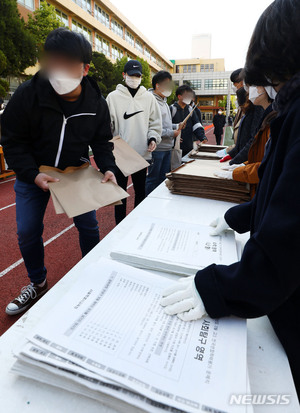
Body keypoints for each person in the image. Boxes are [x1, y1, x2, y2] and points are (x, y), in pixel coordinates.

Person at [160, 0, 300, 400]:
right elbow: (280, 190)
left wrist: (221, 288)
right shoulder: (287, 110)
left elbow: (291, 229)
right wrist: (242, 215)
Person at [1, 28, 117, 315]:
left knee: (89, 226)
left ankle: (92, 277)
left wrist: (109, 167)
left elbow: (101, 142)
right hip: (34, 173)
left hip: (74, 172)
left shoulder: (95, 104)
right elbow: (12, 140)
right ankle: (37, 282)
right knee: (27, 231)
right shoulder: (29, 94)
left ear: (85, 69)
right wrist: (31, 174)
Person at [106, 60, 162, 224]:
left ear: (141, 77)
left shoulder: (148, 98)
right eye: (131, 75)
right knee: (120, 193)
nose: (134, 78)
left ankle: (137, 222)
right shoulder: (113, 97)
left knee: (140, 191)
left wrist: (153, 138)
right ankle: (119, 225)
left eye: (137, 75)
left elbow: (155, 123)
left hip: (141, 153)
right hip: (120, 155)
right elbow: (107, 125)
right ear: (124, 75)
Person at [215, 86, 277, 198]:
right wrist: (241, 163)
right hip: (252, 169)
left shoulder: (271, 116)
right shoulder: (265, 113)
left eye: (254, 86)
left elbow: (270, 164)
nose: (249, 91)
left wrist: (238, 167)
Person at [145, 71, 181, 195]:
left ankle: (158, 203)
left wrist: (176, 126)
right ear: (157, 85)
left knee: (162, 179)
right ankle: (148, 204)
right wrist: (172, 133)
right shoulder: (150, 101)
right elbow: (152, 127)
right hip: (157, 148)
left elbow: (163, 124)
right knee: (152, 179)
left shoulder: (164, 102)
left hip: (166, 148)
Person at [220, 86, 264, 164]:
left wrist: (235, 160)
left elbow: (253, 140)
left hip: (250, 160)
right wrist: (232, 154)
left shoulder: (257, 110)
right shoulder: (248, 112)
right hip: (244, 159)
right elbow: (241, 142)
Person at [170, 85, 207, 157]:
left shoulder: (190, 110)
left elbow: (197, 124)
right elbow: (166, 126)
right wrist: (173, 136)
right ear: (179, 97)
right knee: (174, 167)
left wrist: (202, 137)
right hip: (175, 147)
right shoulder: (172, 109)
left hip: (189, 145)